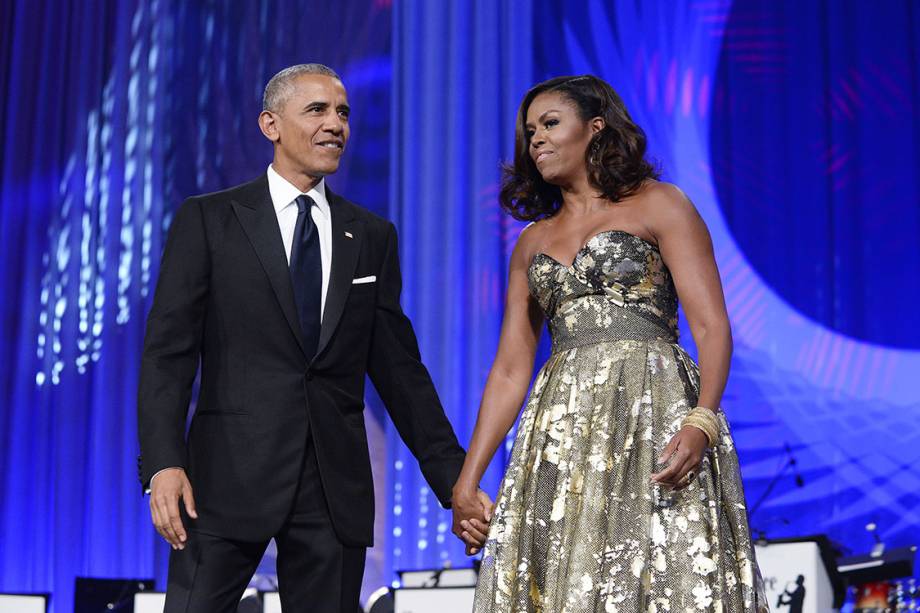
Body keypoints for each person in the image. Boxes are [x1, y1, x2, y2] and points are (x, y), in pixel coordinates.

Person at [137, 63, 489, 613]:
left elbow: (401, 373)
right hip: (223, 483)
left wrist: (455, 485)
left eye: (343, 112)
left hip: (332, 490)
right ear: (270, 124)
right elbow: (167, 355)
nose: (336, 124)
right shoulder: (209, 220)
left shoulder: (371, 236)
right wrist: (163, 463)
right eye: (317, 110)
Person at [451, 75, 768, 611]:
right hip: (561, 431)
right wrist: (468, 480)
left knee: (665, 573)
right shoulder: (532, 242)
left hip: (654, 412)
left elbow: (712, 326)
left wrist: (703, 421)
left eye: (551, 124)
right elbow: (509, 368)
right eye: (531, 131)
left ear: (595, 129)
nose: (537, 140)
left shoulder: (661, 205)